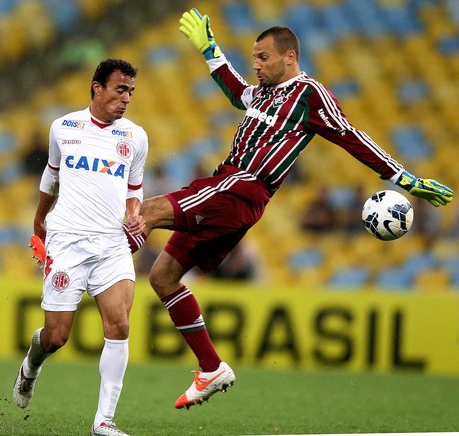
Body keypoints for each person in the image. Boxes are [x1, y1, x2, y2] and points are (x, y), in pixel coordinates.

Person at [124, 8, 454, 410]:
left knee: (150, 210)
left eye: (263, 57)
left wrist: (404, 178)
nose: (256, 65)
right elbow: (236, 91)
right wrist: (210, 49)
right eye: (254, 57)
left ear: (289, 57)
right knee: (163, 276)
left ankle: (80, 270)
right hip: (228, 187)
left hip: (241, 187)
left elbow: (351, 136)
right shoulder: (263, 93)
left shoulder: (309, 94)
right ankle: (211, 367)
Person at [12, 59, 147, 436]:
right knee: (56, 337)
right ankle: (31, 366)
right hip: (67, 241)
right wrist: (39, 220)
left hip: (111, 243)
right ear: (96, 88)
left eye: (131, 92)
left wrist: (134, 214)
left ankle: (104, 421)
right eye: (120, 90)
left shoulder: (135, 137)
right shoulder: (64, 127)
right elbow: (51, 175)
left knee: (119, 324)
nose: (126, 99)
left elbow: (134, 189)